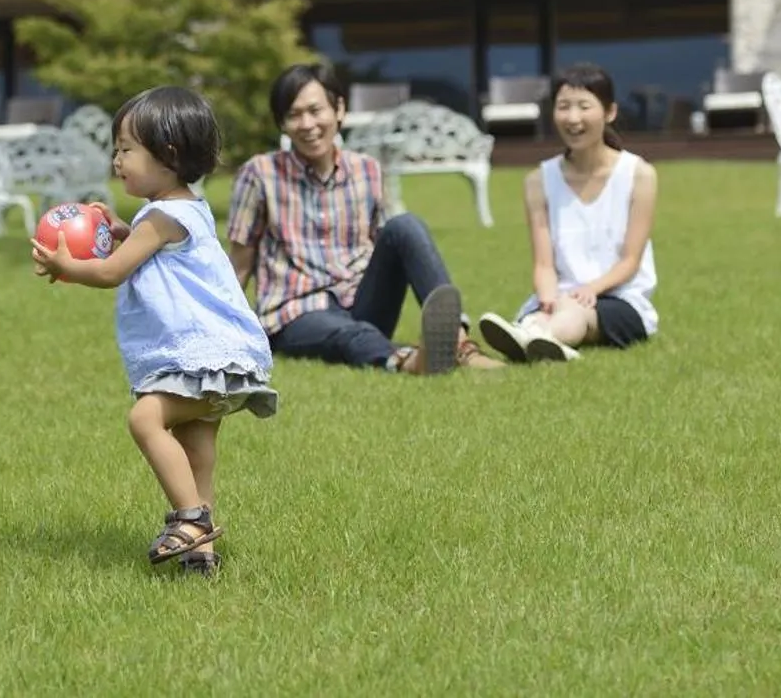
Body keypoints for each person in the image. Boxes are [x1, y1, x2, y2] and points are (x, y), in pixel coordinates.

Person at [32, 85, 277, 578]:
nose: (116, 160)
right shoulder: (183, 209)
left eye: (126, 149)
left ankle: (189, 520)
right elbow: (155, 251)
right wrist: (126, 232)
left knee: (146, 420)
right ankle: (200, 555)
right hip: (224, 355)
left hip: (203, 357)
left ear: (167, 155)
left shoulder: (162, 218)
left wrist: (66, 265)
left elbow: (111, 272)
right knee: (195, 446)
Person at [224, 62, 504, 375]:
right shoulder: (259, 174)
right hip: (296, 313)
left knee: (405, 226)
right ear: (282, 124)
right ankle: (408, 361)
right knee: (347, 334)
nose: (307, 124)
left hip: (360, 302)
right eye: (294, 115)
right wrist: (221, 329)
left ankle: (457, 342)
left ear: (339, 109)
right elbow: (240, 263)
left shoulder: (367, 169)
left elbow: (388, 246)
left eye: (315, 111)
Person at [477, 63, 660, 362]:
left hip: (621, 299)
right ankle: (535, 333)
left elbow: (630, 260)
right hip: (560, 295)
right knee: (550, 310)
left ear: (610, 112)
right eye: (563, 107)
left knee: (575, 312)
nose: (573, 118)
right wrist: (547, 296)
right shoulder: (538, 181)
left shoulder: (639, 175)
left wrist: (591, 289)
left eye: (584, 107)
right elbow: (544, 264)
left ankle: (540, 337)